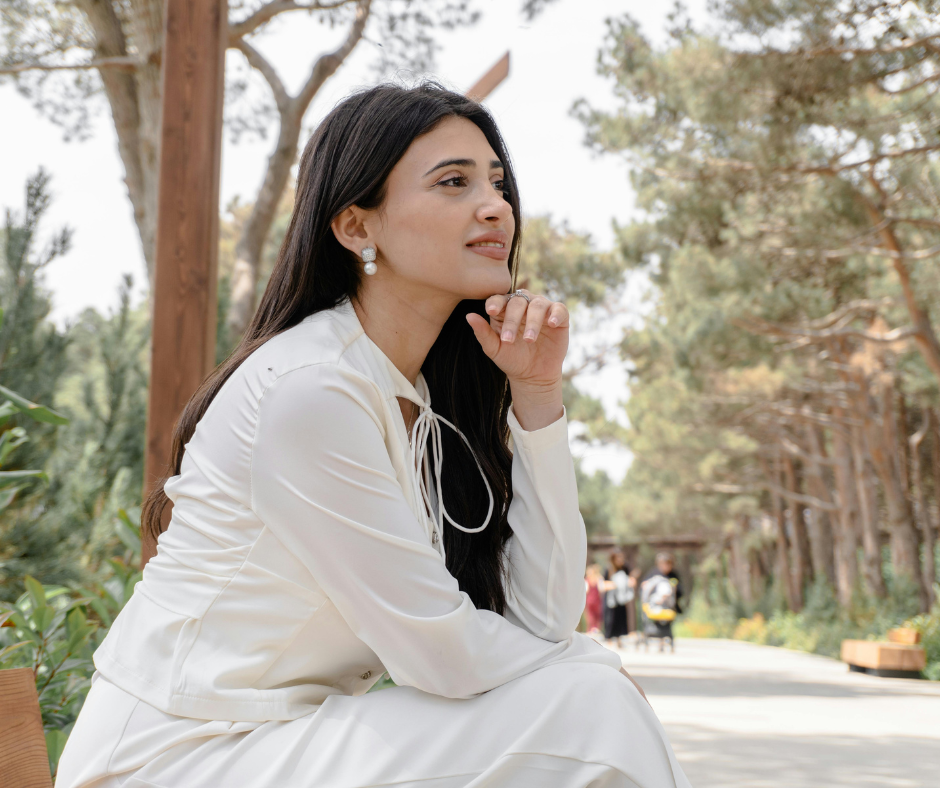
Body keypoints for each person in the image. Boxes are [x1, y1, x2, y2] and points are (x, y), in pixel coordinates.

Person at [56, 83, 691, 788]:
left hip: (286, 742)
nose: (495, 206)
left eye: (498, 183)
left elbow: (542, 619)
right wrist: (591, 665)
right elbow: (443, 657)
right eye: (453, 182)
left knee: (588, 700)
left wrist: (538, 396)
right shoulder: (310, 391)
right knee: (592, 705)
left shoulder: (418, 400)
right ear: (357, 228)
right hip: (176, 759)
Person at [640, 553, 684, 653]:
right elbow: (645, 587)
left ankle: (664, 642)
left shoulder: (673, 575)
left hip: (668, 606)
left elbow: (680, 591)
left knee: (666, 624)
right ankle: (659, 642)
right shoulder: (653, 573)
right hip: (654, 605)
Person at [602, 550, 636, 648]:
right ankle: (609, 639)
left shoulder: (625, 568)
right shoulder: (609, 569)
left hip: (621, 599)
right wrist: (615, 584)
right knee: (610, 619)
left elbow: (630, 580)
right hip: (611, 599)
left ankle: (619, 639)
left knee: (621, 619)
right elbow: (603, 584)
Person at [584, 563, 605, 636]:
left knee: (591, 616)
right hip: (596, 601)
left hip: (590, 601)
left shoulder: (587, 580)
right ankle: (594, 630)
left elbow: (586, 590)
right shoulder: (598, 579)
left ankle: (592, 630)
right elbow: (601, 590)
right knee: (596, 617)